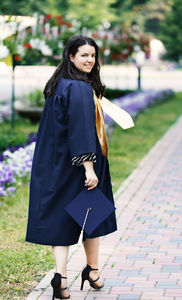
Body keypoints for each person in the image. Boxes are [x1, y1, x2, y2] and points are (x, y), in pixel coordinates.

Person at [25, 35, 117, 299]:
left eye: (93, 55)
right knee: (92, 214)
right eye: (84, 55)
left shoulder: (59, 84)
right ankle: (93, 270)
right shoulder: (78, 88)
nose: (90, 60)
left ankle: (62, 277)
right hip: (78, 165)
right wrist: (89, 168)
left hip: (56, 163)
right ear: (71, 57)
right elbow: (81, 131)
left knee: (61, 220)